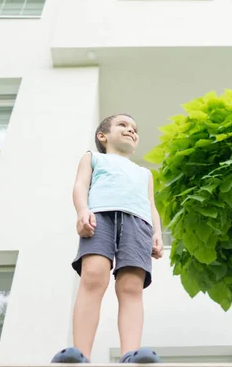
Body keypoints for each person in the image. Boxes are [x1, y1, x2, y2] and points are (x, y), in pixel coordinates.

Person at [52, 114, 164, 364]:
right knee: (93, 277)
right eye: (123, 125)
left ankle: (130, 355)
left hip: (138, 224)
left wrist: (157, 232)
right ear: (103, 136)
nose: (131, 130)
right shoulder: (93, 157)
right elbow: (80, 186)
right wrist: (82, 211)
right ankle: (81, 354)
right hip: (100, 217)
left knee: (131, 287)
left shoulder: (144, 172)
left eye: (134, 128)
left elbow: (151, 205)